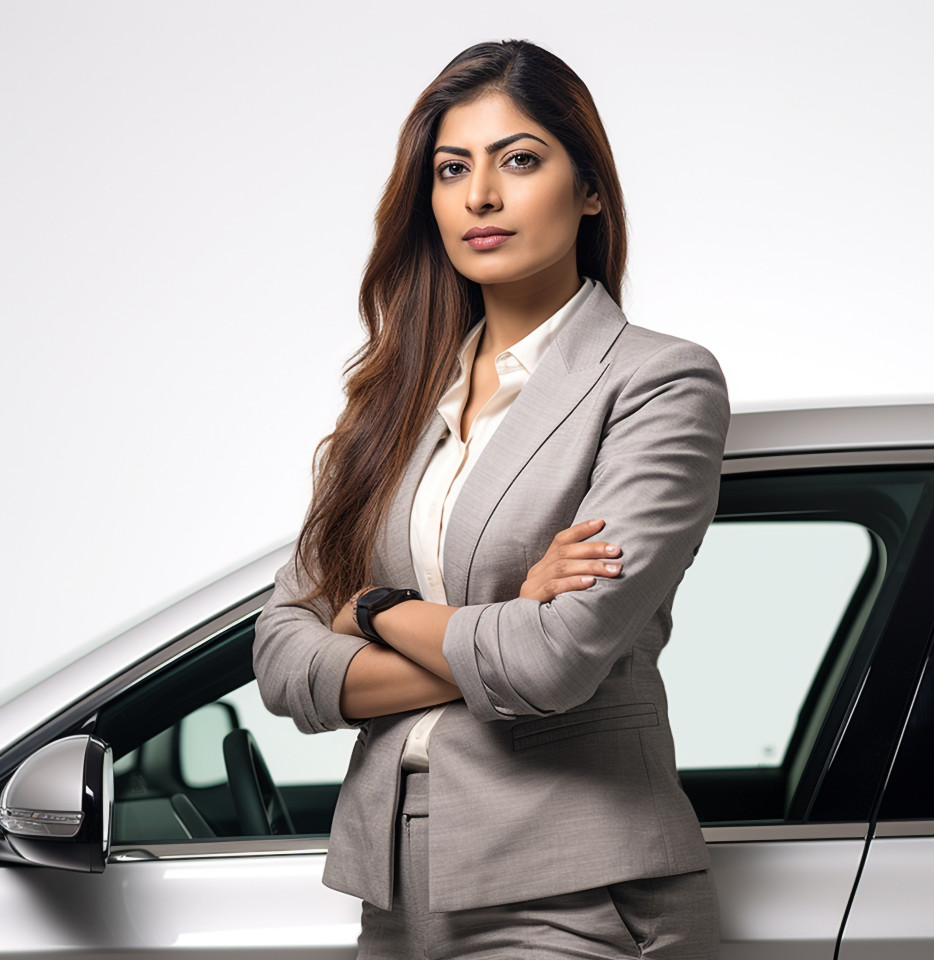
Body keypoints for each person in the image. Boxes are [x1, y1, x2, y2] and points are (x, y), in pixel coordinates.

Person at [253, 38, 729, 959]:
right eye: (451, 169)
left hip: (577, 887)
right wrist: (506, 621)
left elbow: (556, 666)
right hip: (394, 885)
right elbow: (281, 657)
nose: (480, 196)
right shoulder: (388, 403)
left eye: (519, 160)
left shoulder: (658, 381)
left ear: (589, 188)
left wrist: (376, 609)